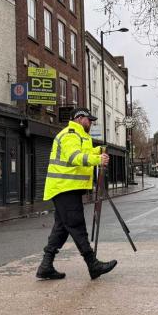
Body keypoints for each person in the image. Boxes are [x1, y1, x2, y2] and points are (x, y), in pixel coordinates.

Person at [36, 108, 118, 280]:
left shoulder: (81, 136)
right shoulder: (70, 134)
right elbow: (75, 157)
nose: (92, 123)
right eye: (89, 120)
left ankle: (45, 266)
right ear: (80, 118)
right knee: (76, 225)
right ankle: (93, 264)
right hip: (64, 187)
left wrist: (99, 151)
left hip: (66, 187)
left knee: (61, 228)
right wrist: (98, 160)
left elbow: (84, 153)